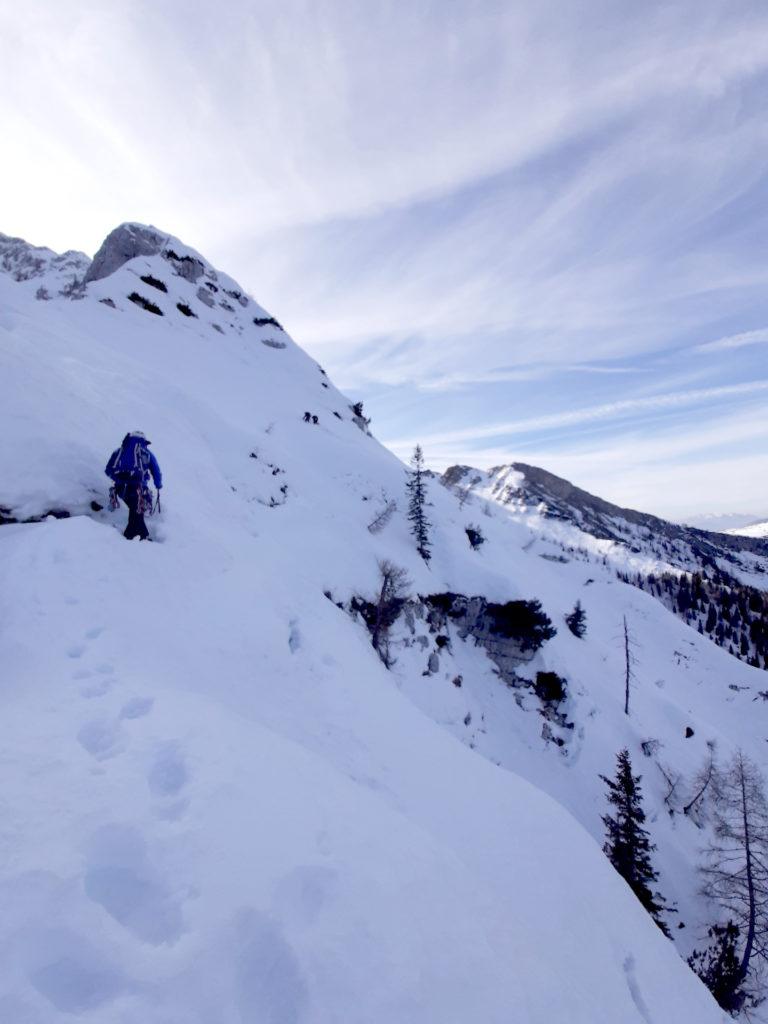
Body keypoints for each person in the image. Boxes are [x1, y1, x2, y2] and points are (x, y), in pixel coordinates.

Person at [105, 432, 162, 540]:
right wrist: (158, 485)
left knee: (135, 512)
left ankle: (141, 535)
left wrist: (119, 479)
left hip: (121, 489)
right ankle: (132, 537)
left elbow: (108, 470)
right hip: (138, 488)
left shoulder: (119, 452)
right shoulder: (146, 453)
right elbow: (156, 470)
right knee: (136, 512)